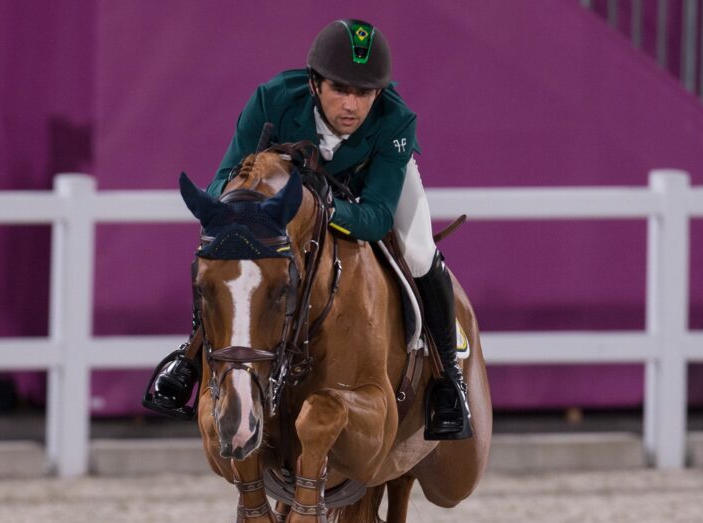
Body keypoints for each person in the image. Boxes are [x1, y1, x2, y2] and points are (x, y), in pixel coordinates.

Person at [147, 18, 471, 440]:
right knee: (227, 252)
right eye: (340, 90)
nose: (352, 106)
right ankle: (189, 355)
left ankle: (449, 378)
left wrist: (319, 207)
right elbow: (221, 183)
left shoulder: (395, 121)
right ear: (315, 84)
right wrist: (248, 212)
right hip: (296, 194)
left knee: (418, 251)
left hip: (366, 186)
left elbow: (374, 218)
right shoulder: (273, 99)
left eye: (364, 93)